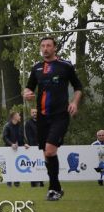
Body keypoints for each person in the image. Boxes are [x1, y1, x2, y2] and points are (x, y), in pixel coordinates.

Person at [23, 36, 83, 202]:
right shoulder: (36, 68)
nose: (45, 48)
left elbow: (78, 87)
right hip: (42, 117)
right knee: (46, 154)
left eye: (48, 45)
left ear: (55, 48)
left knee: (50, 151)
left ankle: (53, 189)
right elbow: (28, 88)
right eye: (43, 46)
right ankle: (56, 188)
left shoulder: (65, 66)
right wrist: (26, 94)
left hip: (60, 115)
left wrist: (74, 102)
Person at [2, 111, 28, 187]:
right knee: (10, 166)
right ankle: (9, 183)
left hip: (18, 149)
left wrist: (24, 144)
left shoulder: (19, 126)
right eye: (18, 115)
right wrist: (11, 144)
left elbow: (21, 138)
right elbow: (4, 137)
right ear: (14, 117)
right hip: (9, 149)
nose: (20, 117)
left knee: (17, 165)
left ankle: (17, 183)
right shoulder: (7, 126)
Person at [24, 108, 44, 187]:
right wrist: (34, 146)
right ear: (30, 113)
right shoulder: (28, 123)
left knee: (40, 165)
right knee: (32, 165)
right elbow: (29, 136)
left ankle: (41, 181)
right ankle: (33, 182)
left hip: (41, 147)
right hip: (32, 147)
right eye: (33, 112)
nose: (35, 113)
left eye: (36, 112)